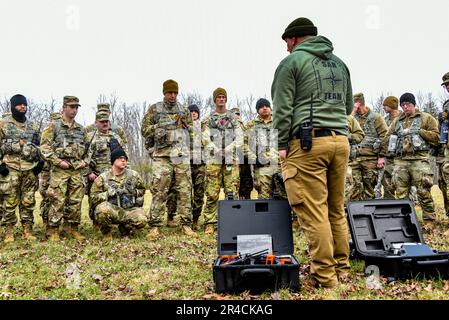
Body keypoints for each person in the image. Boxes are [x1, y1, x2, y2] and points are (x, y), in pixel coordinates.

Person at [272, 17, 353, 288]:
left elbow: (282, 108)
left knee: (313, 210)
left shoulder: (292, 62)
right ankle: (342, 269)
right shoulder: (340, 64)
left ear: (294, 39)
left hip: (307, 144)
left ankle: (325, 277)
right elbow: (349, 105)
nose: (285, 47)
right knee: (336, 210)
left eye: (286, 42)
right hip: (340, 141)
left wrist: (283, 145)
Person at [141, 79, 196, 238]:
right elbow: (144, 130)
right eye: (170, 92)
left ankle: (186, 224)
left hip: (180, 156)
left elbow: (192, 133)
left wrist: (188, 130)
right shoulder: (155, 109)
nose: (172, 95)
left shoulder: (183, 110)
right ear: (164, 93)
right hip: (162, 156)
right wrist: (159, 127)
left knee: (185, 190)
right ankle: (155, 225)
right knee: (159, 190)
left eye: (175, 92)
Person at [383, 92, 439, 222]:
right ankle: (405, 221)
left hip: (419, 159)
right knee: (400, 192)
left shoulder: (426, 118)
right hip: (400, 161)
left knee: (423, 191)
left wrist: (418, 131)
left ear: (413, 104)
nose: (405, 107)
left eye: (407, 104)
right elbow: (387, 138)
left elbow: (436, 138)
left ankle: (429, 220)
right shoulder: (397, 121)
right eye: (402, 105)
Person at [40, 96, 89, 241]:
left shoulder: (81, 129)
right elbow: (44, 147)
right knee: (57, 200)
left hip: (76, 170)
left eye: (76, 107)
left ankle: (73, 228)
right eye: (71, 107)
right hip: (59, 170)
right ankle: (53, 230)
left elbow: (88, 150)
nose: (74, 110)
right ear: (64, 107)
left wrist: (84, 162)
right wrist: (57, 161)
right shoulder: (53, 126)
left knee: (76, 200)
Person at [0, 94, 44, 242]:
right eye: (19, 105)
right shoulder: (3, 124)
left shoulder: (33, 126)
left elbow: (40, 147)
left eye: (24, 104)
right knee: (9, 201)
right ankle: (9, 231)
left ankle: (27, 229)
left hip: (29, 170)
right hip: (10, 169)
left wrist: (40, 164)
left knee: (28, 201)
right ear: (13, 106)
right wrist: (0, 165)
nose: (22, 107)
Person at [201, 88, 244, 234]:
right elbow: (205, 137)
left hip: (231, 158)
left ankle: (232, 221)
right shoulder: (208, 119)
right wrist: (216, 149)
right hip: (214, 159)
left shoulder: (234, 118)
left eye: (223, 97)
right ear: (214, 100)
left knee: (231, 190)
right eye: (218, 97)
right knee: (212, 192)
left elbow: (240, 137)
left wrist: (228, 149)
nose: (221, 99)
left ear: (226, 99)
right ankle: (210, 223)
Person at [90, 148, 147, 240]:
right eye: (120, 158)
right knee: (102, 211)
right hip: (113, 210)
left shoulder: (134, 175)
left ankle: (125, 229)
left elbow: (142, 190)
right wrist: (107, 194)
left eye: (125, 158)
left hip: (129, 209)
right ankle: (107, 233)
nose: (123, 160)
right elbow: (93, 197)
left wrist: (134, 192)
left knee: (142, 220)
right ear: (113, 160)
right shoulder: (103, 177)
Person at [85, 110, 128, 226]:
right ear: (96, 123)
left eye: (106, 121)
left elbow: (124, 154)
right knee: (95, 200)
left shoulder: (116, 137)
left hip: (114, 175)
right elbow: (83, 157)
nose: (105, 124)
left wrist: (124, 171)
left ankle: (117, 222)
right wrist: (88, 173)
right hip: (96, 175)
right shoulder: (90, 137)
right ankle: (96, 223)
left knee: (115, 197)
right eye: (102, 122)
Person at [349, 93, 388, 200]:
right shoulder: (352, 118)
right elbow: (344, 129)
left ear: (358, 103)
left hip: (371, 159)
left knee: (370, 189)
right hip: (354, 159)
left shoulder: (376, 117)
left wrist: (382, 156)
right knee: (354, 188)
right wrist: (351, 114)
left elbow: (385, 137)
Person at [246, 98, 278, 199]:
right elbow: (242, 144)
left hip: (281, 164)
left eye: (267, 106)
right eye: (261, 106)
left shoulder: (279, 121)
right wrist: (254, 159)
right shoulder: (251, 125)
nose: (264, 108)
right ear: (257, 110)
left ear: (271, 108)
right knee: (264, 198)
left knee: (286, 195)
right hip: (262, 166)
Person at [381, 96, 401, 199]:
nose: (383, 107)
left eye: (385, 105)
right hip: (388, 156)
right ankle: (389, 202)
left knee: (402, 182)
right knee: (387, 182)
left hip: (401, 157)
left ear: (392, 105)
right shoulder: (385, 120)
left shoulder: (403, 118)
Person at [344, 115, 365, 204]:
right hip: (320, 161)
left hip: (347, 162)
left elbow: (360, 135)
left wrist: (347, 136)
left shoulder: (349, 118)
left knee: (350, 190)